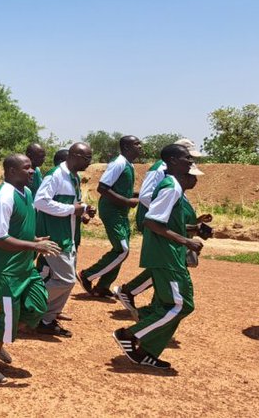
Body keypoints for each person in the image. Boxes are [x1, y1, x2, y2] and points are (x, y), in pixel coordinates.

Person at [112, 144, 203, 369]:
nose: (190, 162)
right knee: (180, 305)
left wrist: (192, 230)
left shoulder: (174, 187)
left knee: (172, 304)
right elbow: (152, 222)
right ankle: (129, 335)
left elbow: (168, 222)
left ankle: (146, 351)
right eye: (186, 158)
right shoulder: (170, 187)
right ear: (172, 161)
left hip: (170, 255)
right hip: (166, 256)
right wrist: (186, 241)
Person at [0, 153, 61, 383]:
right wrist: (35, 245)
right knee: (8, 316)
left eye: (31, 167)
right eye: (27, 167)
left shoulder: (27, 192)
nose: (32, 171)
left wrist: (34, 239)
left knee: (38, 304)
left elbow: (17, 227)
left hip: (24, 263)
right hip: (6, 268)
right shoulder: (3, 197)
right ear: (12, 171)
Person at [33, 142, 94, 337]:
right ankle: (29, 306)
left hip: (68, 236)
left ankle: (46, 320)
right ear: (75, 155)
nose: (90, 162)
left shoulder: (73, 177)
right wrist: (71, 209)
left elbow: (72, 204)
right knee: (66, 280)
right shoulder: (56, 175)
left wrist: (84, 209)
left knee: (64, 280)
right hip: (54, 236)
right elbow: (40, 201)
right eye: (87, 158)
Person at [80, 136, 142, 296]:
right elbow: (102, 188)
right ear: (126, 147)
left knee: (121, 250)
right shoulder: (119, 163)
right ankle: (87, 275)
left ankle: (103, 286)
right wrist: (127, 201)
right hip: (112, 210)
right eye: (137, 144)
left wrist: (140, 195)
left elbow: (121, 190)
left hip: (121, 211)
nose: (140, 146)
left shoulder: (129, 165)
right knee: (122, 249)